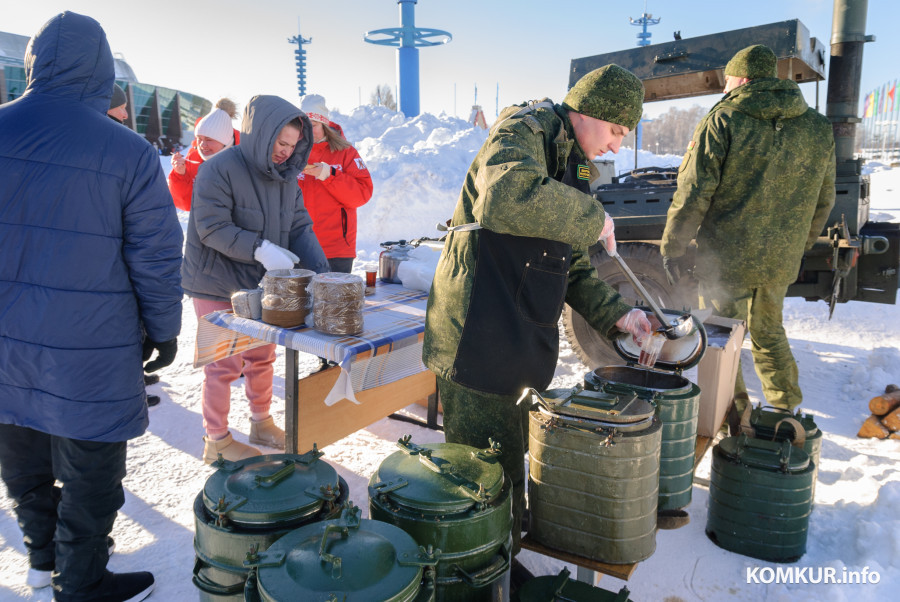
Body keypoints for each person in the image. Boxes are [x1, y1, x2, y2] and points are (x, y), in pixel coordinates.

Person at [422, 65, 654, 577]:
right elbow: (504, 197)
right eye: (616, 131)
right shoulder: (522, 129)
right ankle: (478, 571)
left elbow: (571, 267)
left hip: (516, 333)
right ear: (588, 113)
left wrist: (620, 316)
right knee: (480, 471)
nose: (616, 146)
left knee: (508, 458)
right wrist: (593, 218)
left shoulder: (575, 164)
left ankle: (501, 558)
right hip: (476, 331)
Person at [0, 12, 183, 602]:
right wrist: (165, 329)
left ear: (33, 63)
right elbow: (155, 256)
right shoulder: (127, 152)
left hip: (5, 341)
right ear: (101, 69)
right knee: (91, 468)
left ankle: (42, 558)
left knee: (21, 447)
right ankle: (80, 583)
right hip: (91, 346)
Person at [661, 44, 836, 416]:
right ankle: (786, 410)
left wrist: (673, 247)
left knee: (723, 337)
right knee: (769, 331)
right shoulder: (818, 127)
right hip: (779, 261)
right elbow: (825, 198)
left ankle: (731, 414)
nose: (725, 89)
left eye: (728, 81)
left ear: (741, 79)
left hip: (726, 259)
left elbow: (694, 191)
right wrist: (798, 245)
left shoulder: (724, 118)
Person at [182, 94, 329, 464]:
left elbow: (298, 226)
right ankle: (216, 440)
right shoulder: (219, 169)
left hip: (261, 283)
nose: (285, 151)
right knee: (225, 363)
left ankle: (261, 422)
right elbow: (212, 227)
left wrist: (325, 275)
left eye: (293, 145)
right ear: (262, 134)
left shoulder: (284, 177)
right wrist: (262, 249)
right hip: (216, 282)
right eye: (281, 143)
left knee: (263, 355)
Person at [298, 94, 373, 273]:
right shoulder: (294, 153)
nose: (308, 131)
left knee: (335, 300)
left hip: (336, 250)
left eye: (314, 125)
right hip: (299, 246)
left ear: (324, 124)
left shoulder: (346, 152)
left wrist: (329, 174)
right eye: (304, 126)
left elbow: (361, 195)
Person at [168, 98, 240, 211]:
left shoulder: (244, 158)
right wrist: (180, 174)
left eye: (209, 139)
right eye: (199, 138)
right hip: (204, 225)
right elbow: (187, 204)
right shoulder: (194, 158)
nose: (202, 144)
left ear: (225, 141)